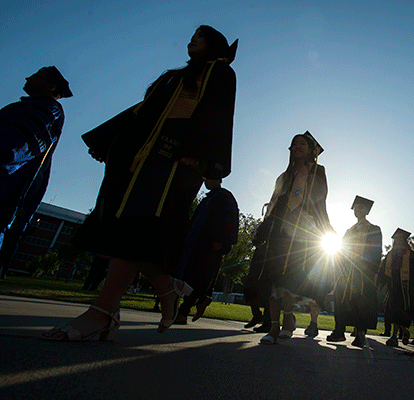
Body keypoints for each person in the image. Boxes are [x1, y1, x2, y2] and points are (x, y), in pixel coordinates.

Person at [42, 25, 238, 341]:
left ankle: (104, 310)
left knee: (140, 229)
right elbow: (141, 112)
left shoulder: (220, 72)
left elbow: (219, 112)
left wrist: (198, 151)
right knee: (128, 229)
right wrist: (109, 140)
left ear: (213, 45)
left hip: (178, 156)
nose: (192, 40)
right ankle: (163, 288)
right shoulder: (171, 77)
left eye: (199, 36)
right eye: (191, 35)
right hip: (145, 154)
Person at [255, 131, 332, 345]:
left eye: (302, 144)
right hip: (278, 231)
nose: (298, 146)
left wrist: (326, 227)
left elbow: (320, 201)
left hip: (301, 232)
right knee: (273, 281)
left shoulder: (317, 171)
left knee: (287, 279)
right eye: (294, 144)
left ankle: (288, 320)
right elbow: (271, 205)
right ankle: (273, 326)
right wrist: (262, 229)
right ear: (290, 150)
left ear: (310, 151)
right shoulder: (283, 177)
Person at [0, 66, 72, 276]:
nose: (28, 77)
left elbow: (22, 143)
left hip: (7, 180)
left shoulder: (50, 110)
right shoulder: (29, 106)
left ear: (51, 86)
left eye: (37, 76)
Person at [173, 178, 239, 324]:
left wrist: (222, 241)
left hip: (212, 245)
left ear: (218, 179)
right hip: (197, 244)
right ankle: (201, 300)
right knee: (191, 277)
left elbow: (231, 219)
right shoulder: (208, 198)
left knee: (198, 279)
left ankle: (183, 312)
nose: (205, 182)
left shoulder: (224, 196)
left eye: (208, 178)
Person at [326, 196, 382, 347]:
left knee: (361, 303)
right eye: (356, 207)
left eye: (362, 208)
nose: (358, 210)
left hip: (363, 273)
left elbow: (376, 252)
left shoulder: (374, 229)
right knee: (341, 300)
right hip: (346, 272)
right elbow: (341, 249)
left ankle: (360, 335)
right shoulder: (349, 231)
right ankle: (339, 331)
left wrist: (372, 272)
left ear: (367, 211)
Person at [379, 228, 414, 347]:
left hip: (404, 287)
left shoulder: (410, 254)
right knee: (393, 311)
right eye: (397, 238)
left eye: (401, 238)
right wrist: (381, 282)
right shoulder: (390, 254)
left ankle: (394, 337)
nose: (398, 240)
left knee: (398, 311)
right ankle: (405, 332)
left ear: (405, 240)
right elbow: (382, 269)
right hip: (392, 286)